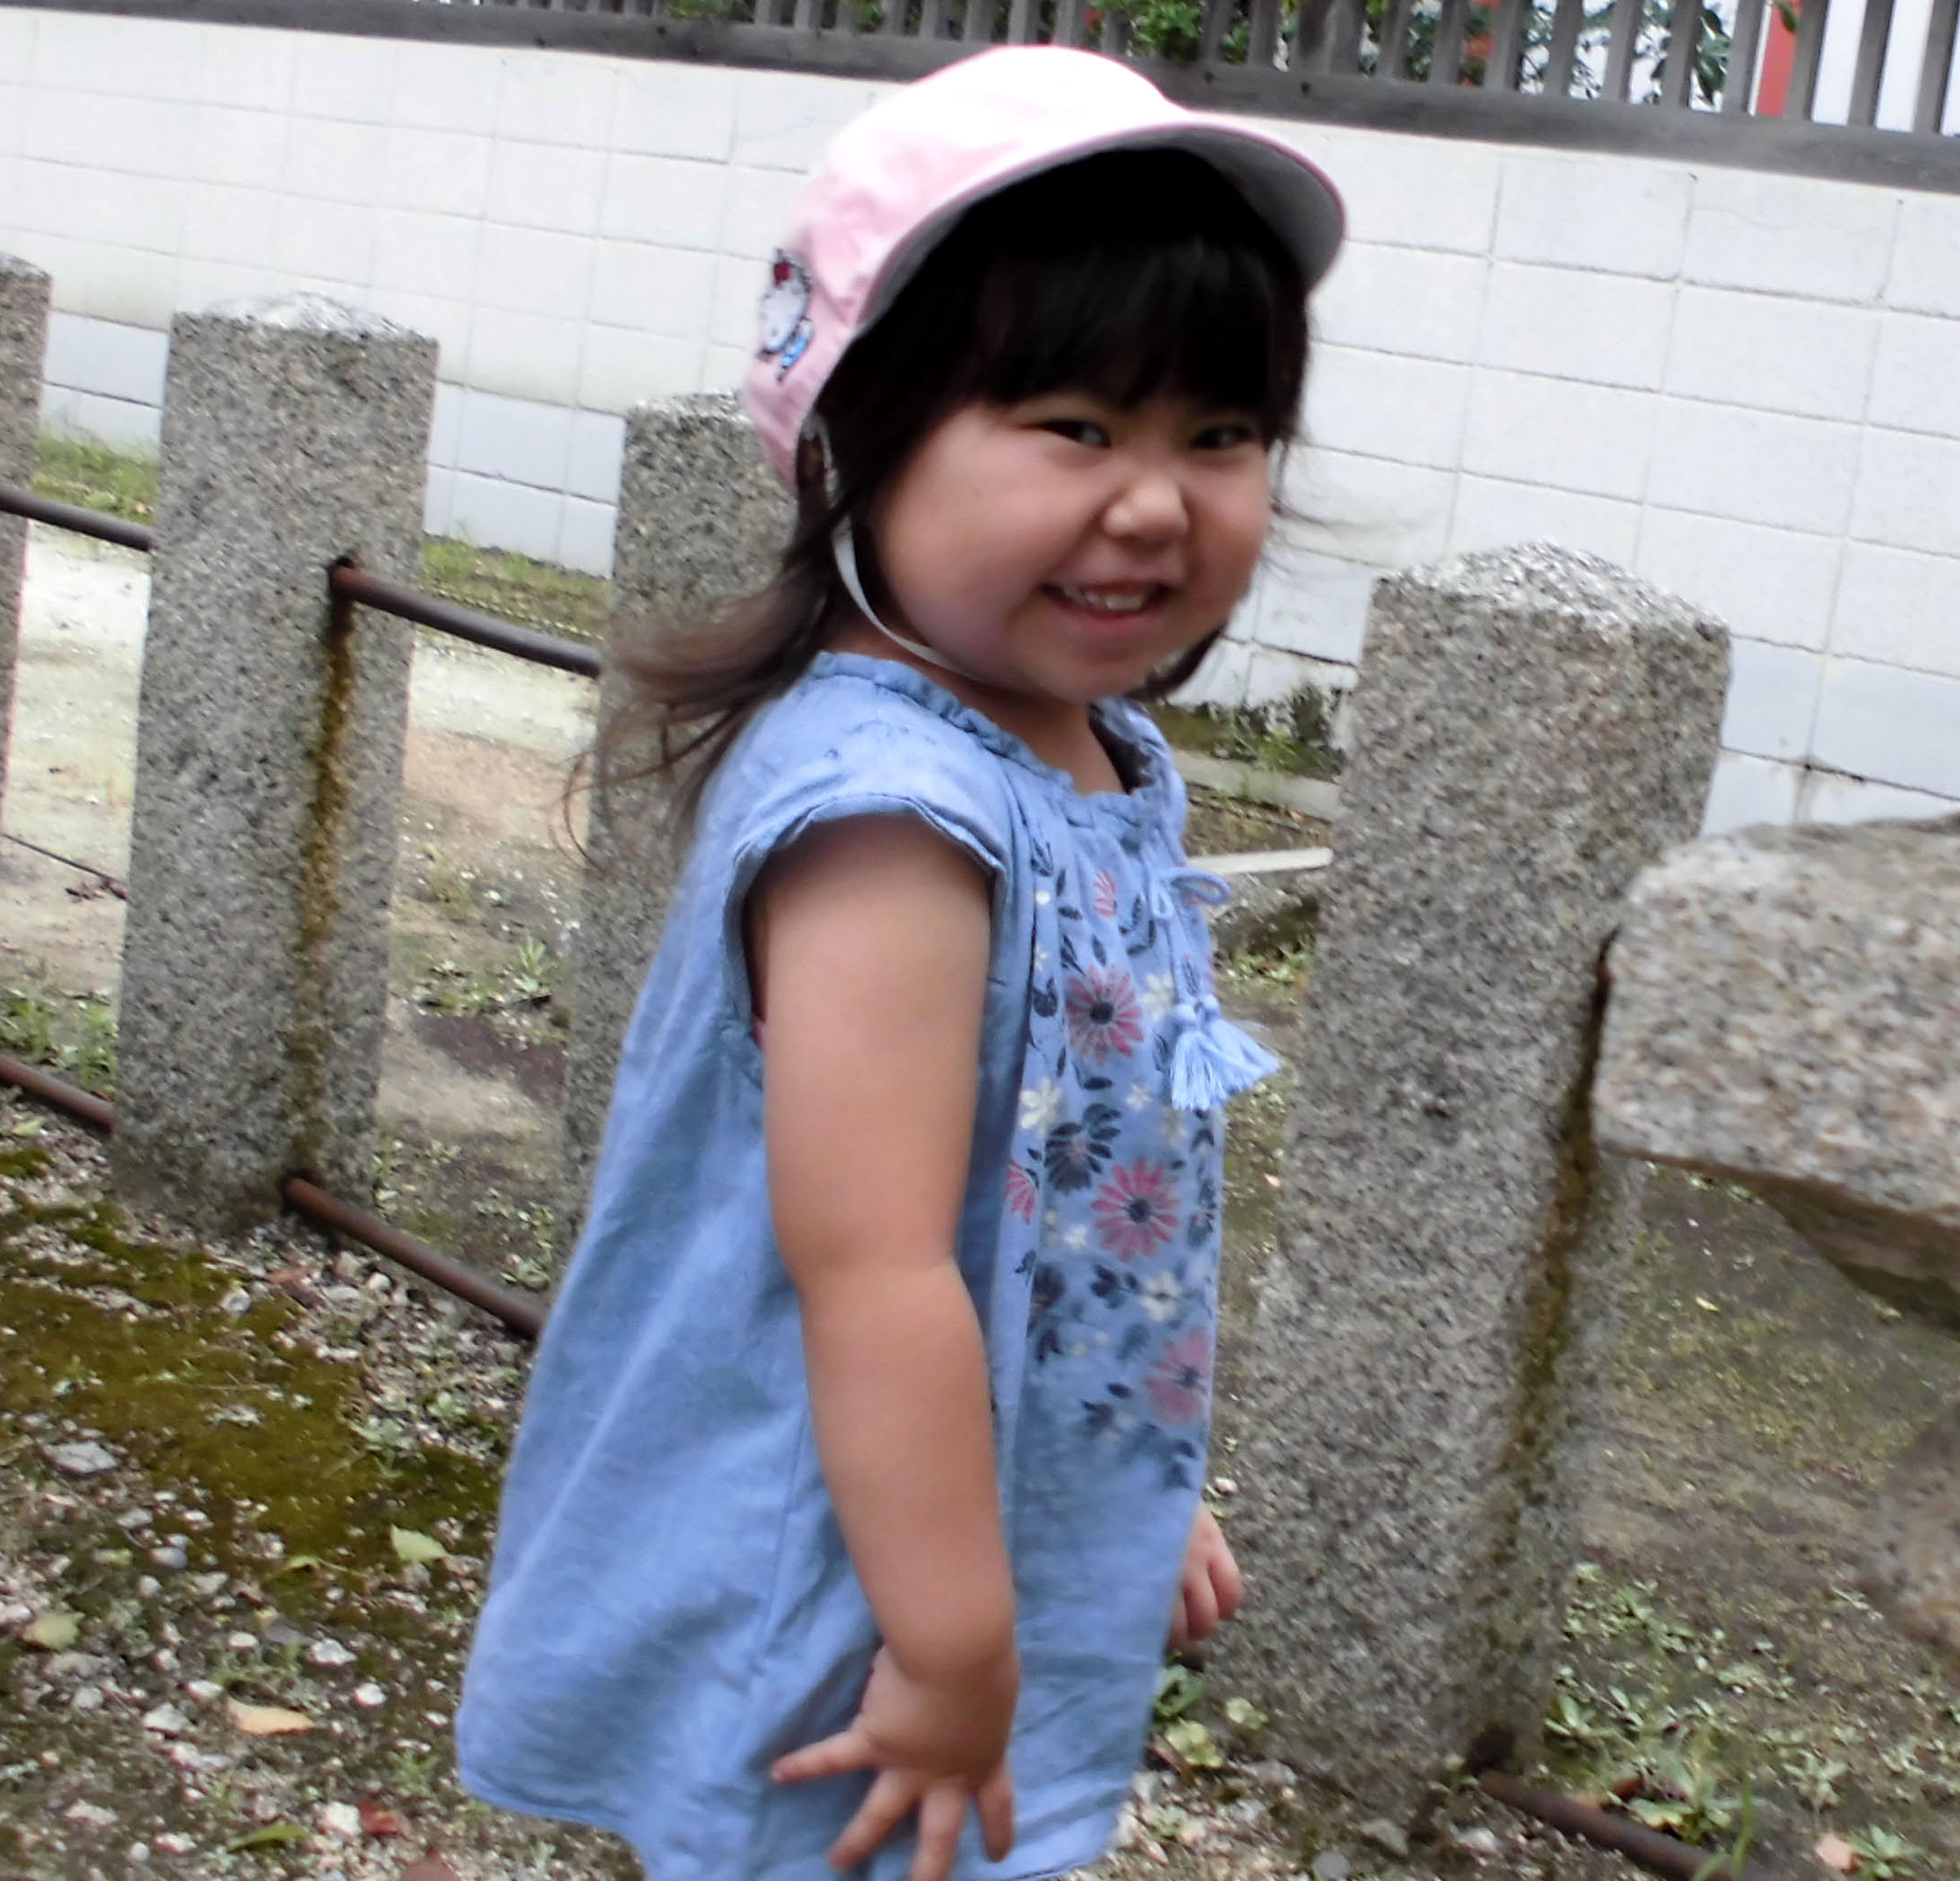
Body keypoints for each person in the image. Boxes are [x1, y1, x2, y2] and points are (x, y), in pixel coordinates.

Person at [454, 46, 1346, 1881]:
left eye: (1219, 435)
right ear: (858, 436)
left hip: (975, 1519)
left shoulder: (1096, 757)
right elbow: (868, 1269)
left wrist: (1119, 1477)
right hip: (850, 1572)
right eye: (1074, 427)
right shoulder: (893, 824)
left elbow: (1065, 1201)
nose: (1156, 503)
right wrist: (946, 1650)